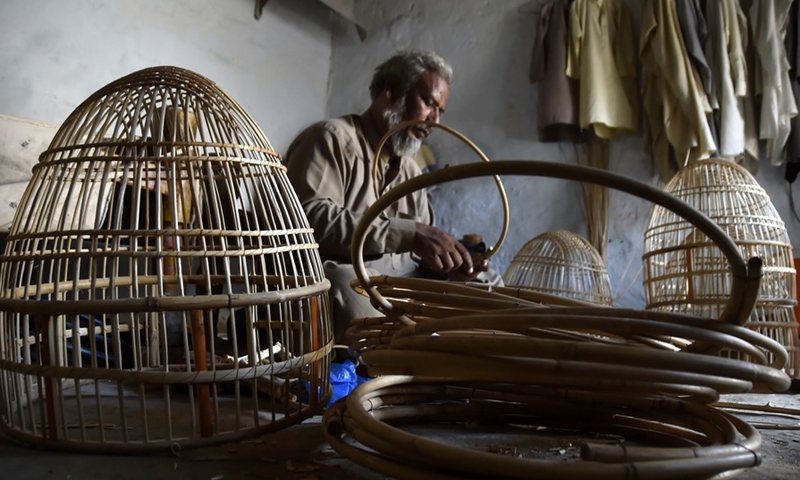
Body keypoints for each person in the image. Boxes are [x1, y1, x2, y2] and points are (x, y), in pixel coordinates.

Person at [284, 49, 498, 344]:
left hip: (400, 287)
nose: (433, 120)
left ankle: (463, 368)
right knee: (348, 288)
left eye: (440, 111)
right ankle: (407, 364)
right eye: (428, 103)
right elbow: (307, 217)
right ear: (391, 91)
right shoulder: (331, 138)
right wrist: (408, 234)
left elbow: (421, 259)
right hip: (344, 277)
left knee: (488, 283)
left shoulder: (411, 169)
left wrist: (451, 268)